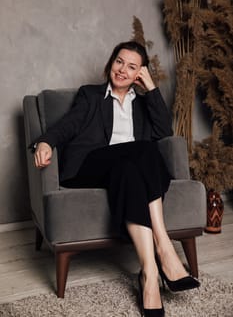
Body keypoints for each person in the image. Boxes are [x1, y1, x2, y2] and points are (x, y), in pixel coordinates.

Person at [33, 41, 200, 317]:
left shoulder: (144, 103)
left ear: (140, 74)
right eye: (119, 62)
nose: (122, 70)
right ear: (111, 62)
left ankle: (148, 274)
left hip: (126, 171)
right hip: (91, 165)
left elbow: (164, 130)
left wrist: (152, 88)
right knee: (144, 150)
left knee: (132, 168)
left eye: (132, 67)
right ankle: (164, 245)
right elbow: (69, 124)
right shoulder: (91, 95)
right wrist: (46, 141)